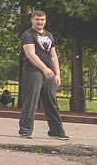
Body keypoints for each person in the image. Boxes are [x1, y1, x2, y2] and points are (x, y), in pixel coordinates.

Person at [18, 9, 68, 140]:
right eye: (37, 19)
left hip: (48, 71)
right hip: (33, 70)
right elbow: (30, 54)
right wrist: (44, 68)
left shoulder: (49, 35)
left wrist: (57, 74)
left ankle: (57, 131)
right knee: (31, 99)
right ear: (32, 20)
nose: (40, 22)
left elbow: (54, 56)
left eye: (42, 20)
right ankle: (25, 129)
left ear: (45, 21)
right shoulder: (28, 35)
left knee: (51, 101)